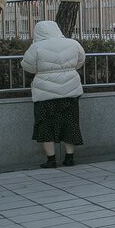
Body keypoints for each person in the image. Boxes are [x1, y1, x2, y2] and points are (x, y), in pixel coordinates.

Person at [22, 21, 85, 169]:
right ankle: (69, 158)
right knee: (70, 123)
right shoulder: (72, 43)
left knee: (45, 124)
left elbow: (28, 66)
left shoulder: (36, 47)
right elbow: (80, 60)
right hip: (70, 90)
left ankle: (51, 160)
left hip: (45, 93)